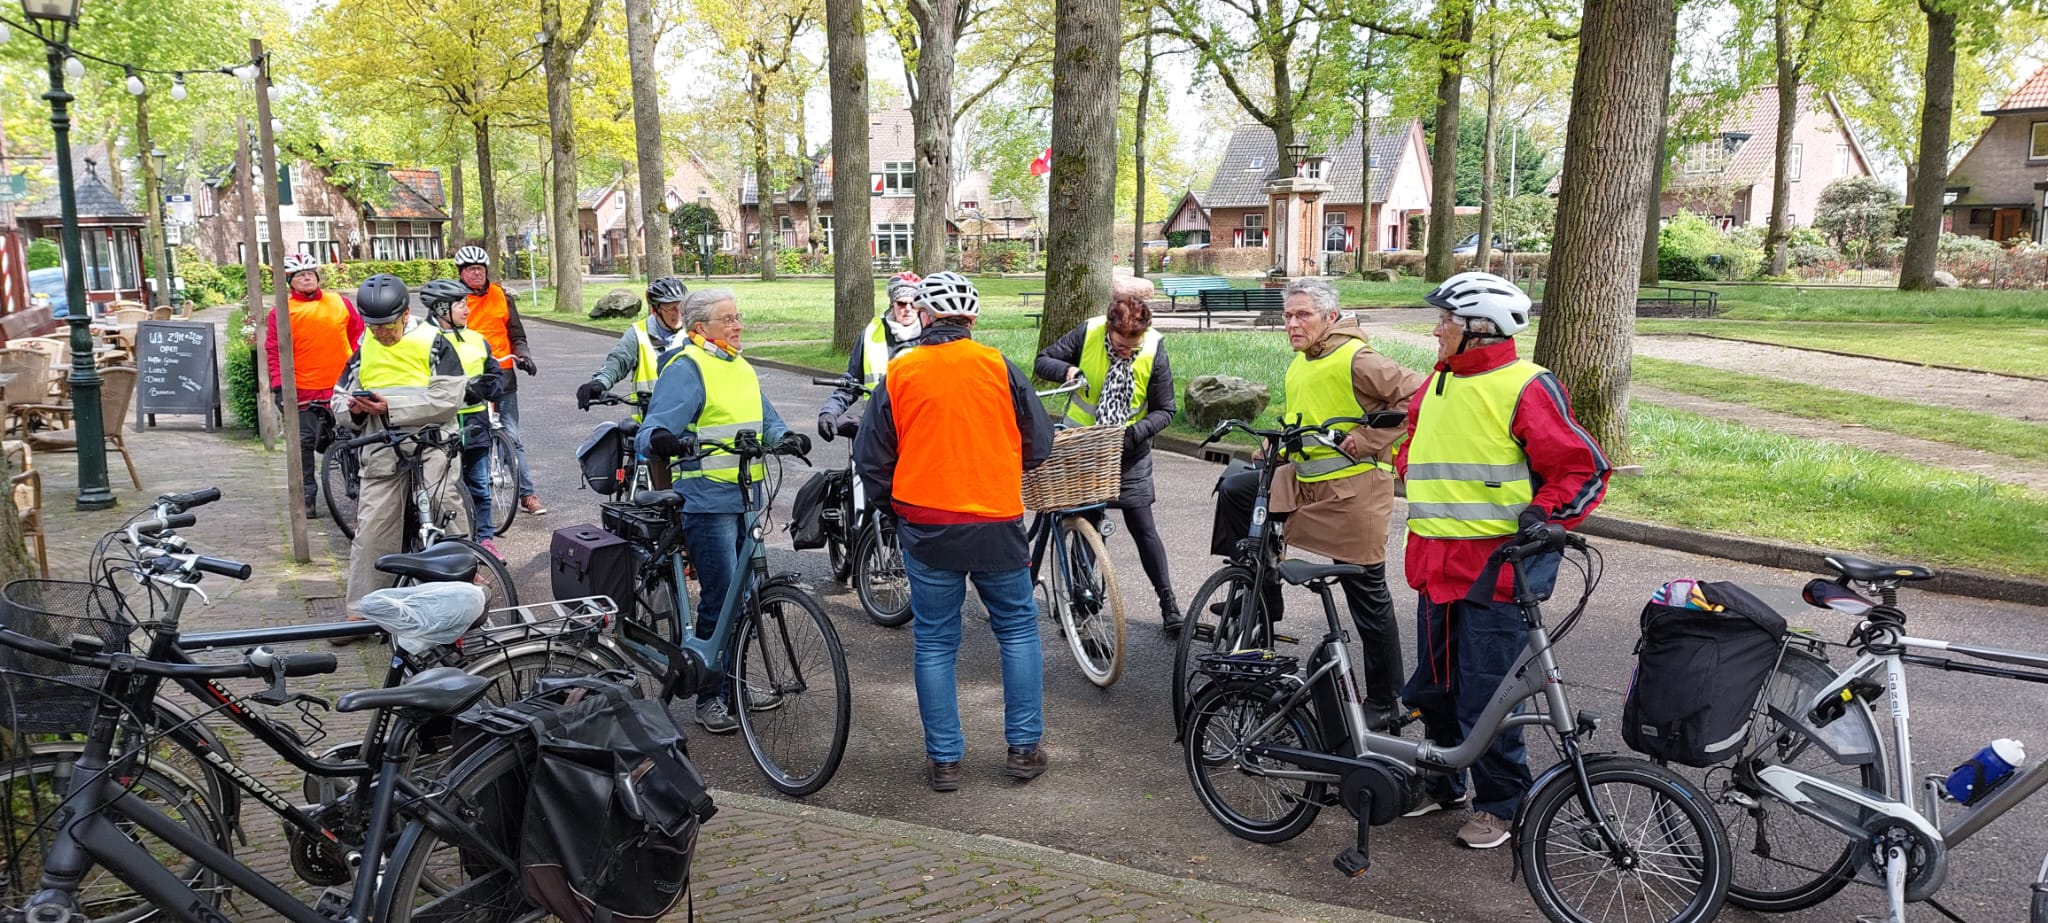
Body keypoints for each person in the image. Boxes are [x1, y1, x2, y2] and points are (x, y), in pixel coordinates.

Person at [1396, 271, 1611, 850]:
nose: (1436, 330)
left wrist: (1544, 516)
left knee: (1488, 694)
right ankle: (1443, 783)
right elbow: (1415, 450)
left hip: (1500, 568)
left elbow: (1581, 468)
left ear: (1479, 330)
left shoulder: (1526, 385)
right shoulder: (1437, 382)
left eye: (1445, 321)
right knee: (1436, 686)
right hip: (1435, 561)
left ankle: (1501, 804)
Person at [854, 271, 1055, 793]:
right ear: (972, 319)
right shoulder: (997, 365)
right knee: (1016, 629)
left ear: (923, 316)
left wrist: (892, 509)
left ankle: (945, 761)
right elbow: (1039, 443)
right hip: (994, 519)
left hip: (926, 524)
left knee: (936, 641)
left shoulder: (901, 372)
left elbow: (871, 457)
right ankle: (1024, 749)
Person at [1209, 277, 1423, 732]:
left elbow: (1416, 396)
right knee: (1238, 490)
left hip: (1353, 493)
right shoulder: (1300, 365)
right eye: (1288, 316)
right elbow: (1306, 421)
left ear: (1330, 317)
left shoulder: (1357, 358)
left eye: (1302, 314)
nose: (1292, 323)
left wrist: (1367, 439)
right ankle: (1260, 587)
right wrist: (1278, 450)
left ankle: (1386, 702)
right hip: (1307, 484)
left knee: (1366, 596)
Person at [636, 288, 805, 734]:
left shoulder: (740, 367)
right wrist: (663, 440)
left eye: (737, 316)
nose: (737, 325)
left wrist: (786, 436)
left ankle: (731, 682)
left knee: (747, 594)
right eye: (727, 318)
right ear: (698, 329)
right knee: (722, 595)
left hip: (746, 496)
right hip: (706, 499)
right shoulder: (687, 367)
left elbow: (764, 419)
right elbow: (652, 430)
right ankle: (711, 697)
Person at [1033, 273, 1182, 632]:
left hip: (1128, 451)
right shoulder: (1089, 332)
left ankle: (1169, 604)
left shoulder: (1153, 346)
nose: (1126, 351)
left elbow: (1166, 409)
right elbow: (1042, 361)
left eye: (1133, 345)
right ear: (1109, 329)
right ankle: (1083, 604)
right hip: (1083, 446)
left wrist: (1135, 433)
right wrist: (1067, 368)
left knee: (1143, 526)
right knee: (1087, 521)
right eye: (1119, 345)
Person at [330, 274, 472, 618]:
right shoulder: (365, 348)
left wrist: (390, 408)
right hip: (381, 445)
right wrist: (351, 410)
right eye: (374, 326)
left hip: (430, 441)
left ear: (406, 315)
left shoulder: (435, 343)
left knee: (442, 504)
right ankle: (364, 608)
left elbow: (449, 398)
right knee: (373, 524)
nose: (381, 332)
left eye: (387, 325)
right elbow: (338, 398)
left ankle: (469, 586)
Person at [265, 251, 364, 519]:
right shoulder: (282, 312)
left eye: (310, 273)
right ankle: (308, 496)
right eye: (299, 275)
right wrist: (278, 387)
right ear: (290, 281)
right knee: (304, 444)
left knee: (352, 439)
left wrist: (361, 368)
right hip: (304, 389)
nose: (306, 277)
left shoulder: (339, 302)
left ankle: (360, 487)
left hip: (341, 386)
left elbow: (359, 337)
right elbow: (274, 350)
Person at [420, 279, 509, 559]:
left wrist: (486, 387)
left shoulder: (476, 339)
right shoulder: (421, 341)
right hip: (439, 428)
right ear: (441, 308)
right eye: (460, 305)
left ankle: (485, 539)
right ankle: (450, 542)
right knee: (442, 489)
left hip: (475, 425)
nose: (467, 310)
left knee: (480, 487)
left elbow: (496, 375)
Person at [454, 245, 544, 515]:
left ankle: (527, 494)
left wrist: (524, 356)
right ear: (461, 273)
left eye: (480, 269)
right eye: (470, 269)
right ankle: (461, 494)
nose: (476, 273)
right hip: (469, 379)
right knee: (464, 439)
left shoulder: (501, 296)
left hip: (502, 375)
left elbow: (517, 335)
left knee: (512, 437)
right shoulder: (455, 300)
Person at [816, 271, 921, 441]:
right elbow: (851, 382)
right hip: (875, 427)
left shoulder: (930, 337)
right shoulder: (872, 333)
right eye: (901, 303)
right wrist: (829, 411)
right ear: (892, 304)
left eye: (913, 303)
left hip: (916, 429)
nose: (908, 309)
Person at [578, 275, 689, 416]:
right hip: (649, 420)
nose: (679, 313)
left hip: (690, 420)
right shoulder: (638, 333)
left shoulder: (695, 331)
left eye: (682, 307)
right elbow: (618, 361)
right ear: (655, 310)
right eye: (672, 308)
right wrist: (599, 383)